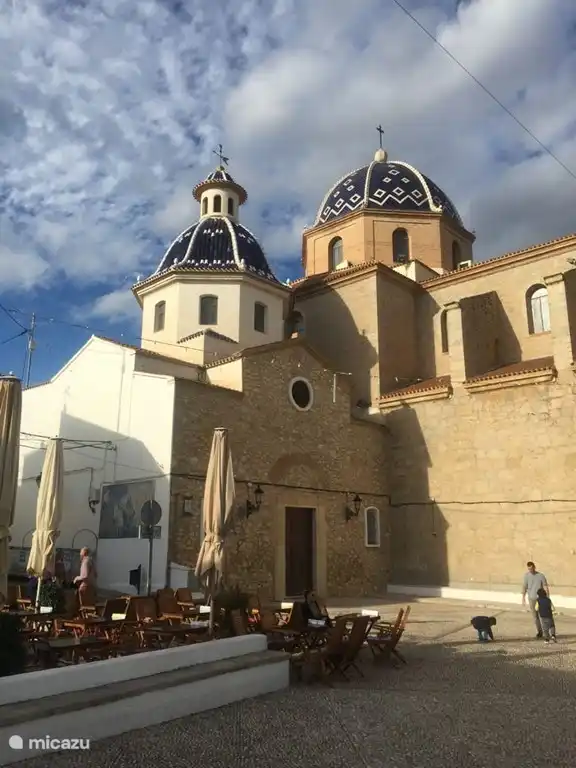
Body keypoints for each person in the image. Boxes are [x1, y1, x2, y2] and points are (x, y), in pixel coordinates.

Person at [521, 561, 549, 639]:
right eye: (529, 569)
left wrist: (548, 598)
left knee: (543, 615)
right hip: (532, 599)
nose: (530, 570)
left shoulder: (541, 576)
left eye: (531, 568)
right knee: (535, 616)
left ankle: (546, 631)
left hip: (541, 599)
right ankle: (539, 632)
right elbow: (524, 587)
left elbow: (545, 586)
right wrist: (523, 598)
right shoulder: (526, 576)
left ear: (534, 567)